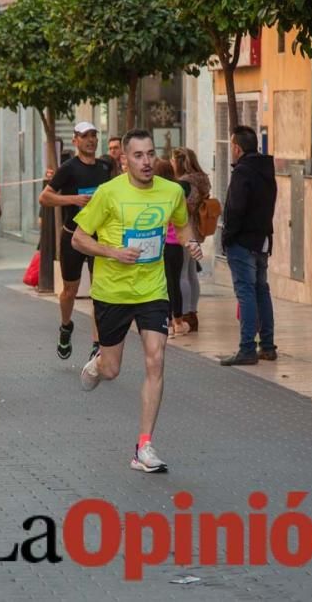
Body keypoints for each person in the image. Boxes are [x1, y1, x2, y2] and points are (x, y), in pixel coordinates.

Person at [72, 128, 204, 473]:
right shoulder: (108, 193)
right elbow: (79, 239)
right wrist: (112, 251)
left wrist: (190, 242)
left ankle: (144, 446)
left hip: (152, 290)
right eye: (138, 155)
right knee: (113, 370)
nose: (146, 162)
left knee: (155, 359)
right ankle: (98, 363)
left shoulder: (172, 191)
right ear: (124, 159)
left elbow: (183, 225)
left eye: (150, 154)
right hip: (112, 292)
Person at [38, 121, 114, 360]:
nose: (90, 140)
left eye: (93, 135)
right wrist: (74, 200)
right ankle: (65, 325)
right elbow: (45, 197)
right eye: (85, 136)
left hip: (98, 237)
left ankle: (96, 343)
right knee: (69, 291)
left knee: (98, 292)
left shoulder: (104, 167)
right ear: (75, 140)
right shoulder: (69, 168)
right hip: (72, 235)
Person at [220, 125, 277, 366]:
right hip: (262, 239)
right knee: (261, 291)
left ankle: (247, 348)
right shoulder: (266, 169)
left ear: (236, 147)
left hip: (243, 241)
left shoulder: (242, 172)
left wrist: (227, 236)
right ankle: (267, 345)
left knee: (246, 292)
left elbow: (235, 209)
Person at [172, 147, 211, 332]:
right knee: (191, 273)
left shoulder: (183, 184)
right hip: (197, 230)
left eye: (173, 161)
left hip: (185, 230)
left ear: (179, 163)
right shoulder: (201, 179)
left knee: (182, 274)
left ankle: (187, 313)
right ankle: (193, 312)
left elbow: (183, 208)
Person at [153, 159, 192, 336]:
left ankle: (167, 321)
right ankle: (178, 320)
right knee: (175, 282)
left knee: (165, 284)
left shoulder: (155, 194)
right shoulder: (177, 192)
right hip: (176, 244)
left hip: (162, 245)